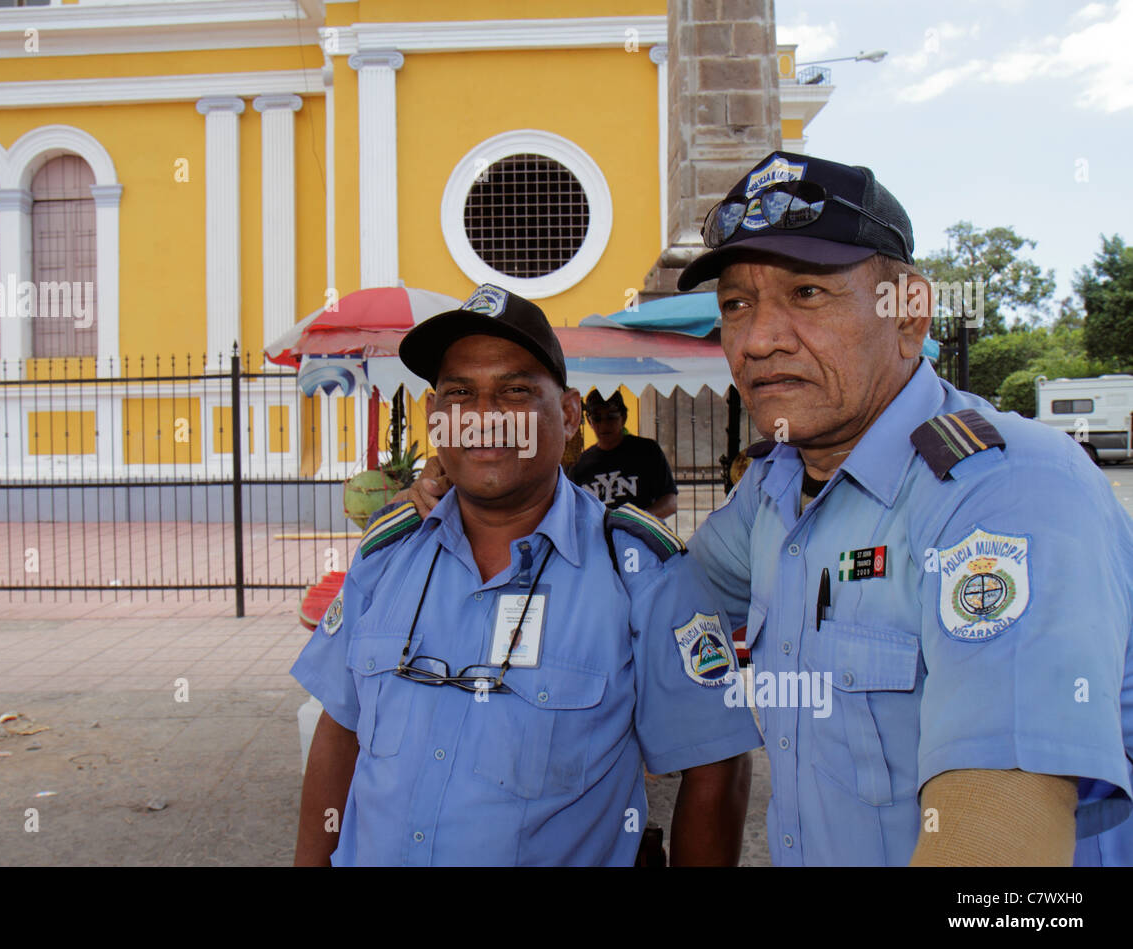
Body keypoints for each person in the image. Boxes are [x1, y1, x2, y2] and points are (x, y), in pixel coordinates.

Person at [406, 153, 1133, 866]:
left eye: (808, 294)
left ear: (910, 313)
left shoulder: (1006, 491)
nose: (758, 340)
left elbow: (998, 834)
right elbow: (651, 594)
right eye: (736, 305)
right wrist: (490, 499)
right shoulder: (777, 488)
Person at [291, 283, 762, 866]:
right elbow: (339, 732)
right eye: (460, 393)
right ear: (437, 419)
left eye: (514, 391)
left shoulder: (642, 572)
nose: (484, 417)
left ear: (567, 416)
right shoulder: (387, 554)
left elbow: (715, 766)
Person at [571, 388, 679, 519]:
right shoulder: (580, 465)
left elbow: (670, 503)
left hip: (639, 536)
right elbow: (572, 511)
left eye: (611, 417)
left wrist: (635, 522)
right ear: (589, 422)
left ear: (624, 417)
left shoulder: (647, 451)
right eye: (597, 418)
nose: (604, 425)